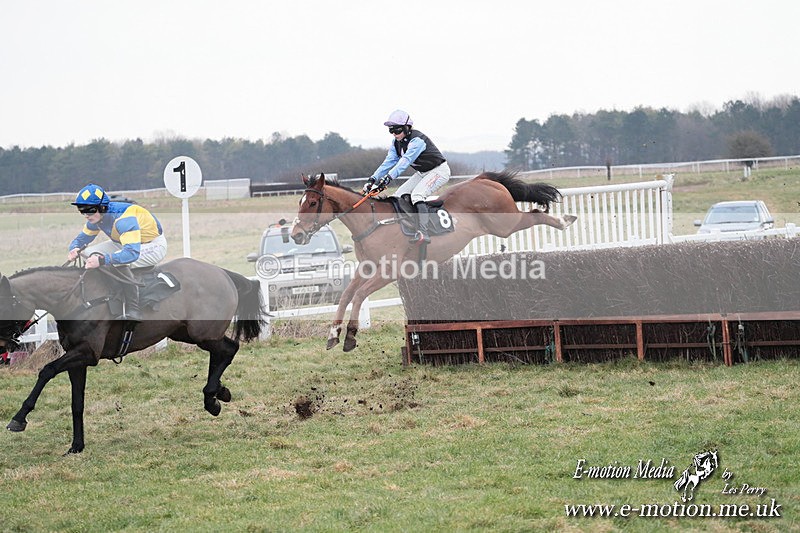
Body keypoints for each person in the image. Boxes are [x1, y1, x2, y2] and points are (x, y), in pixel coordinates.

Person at [67, 183, 168, 321]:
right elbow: (83, 239)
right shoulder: (96, 218)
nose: (85, 215)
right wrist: (74, 248)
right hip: (124, 242)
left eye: (89, 211)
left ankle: (133, 309)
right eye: (81, 210)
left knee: (117, 262)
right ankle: (108, 292)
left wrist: (102, 260)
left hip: (153, 245)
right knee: (89, 253)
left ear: (102, 207)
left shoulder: (123, 220)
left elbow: (131, 254)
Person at [363, 110, 451, 244]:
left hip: (439, 171)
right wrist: (373, 179)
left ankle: (424, 232)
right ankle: (407, 227)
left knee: (417, 195)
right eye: (391, 130)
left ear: (406, 127)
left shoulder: (417, 141)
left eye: (397, 130)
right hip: (422, 173)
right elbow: (388, 162)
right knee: (398, 196)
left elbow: (404, 162)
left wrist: (387, 178)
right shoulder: (395, 143)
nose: (394, 133)